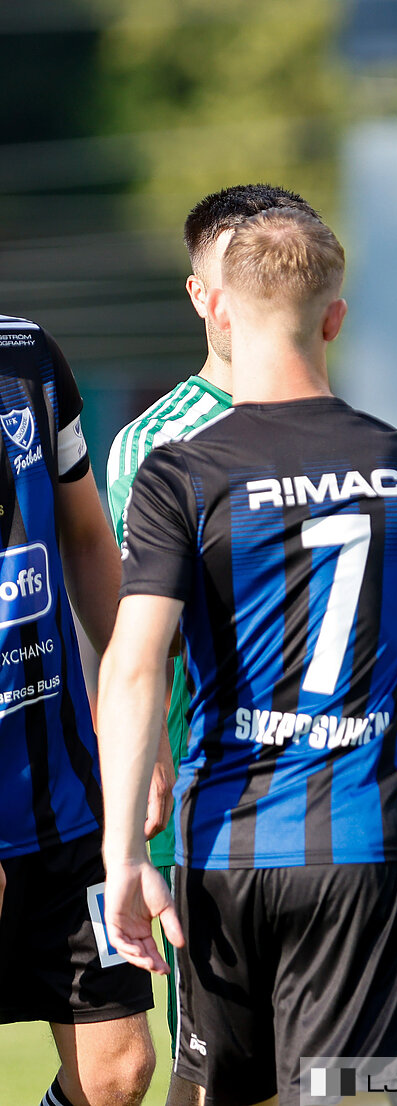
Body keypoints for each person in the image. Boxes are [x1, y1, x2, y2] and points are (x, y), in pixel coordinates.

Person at [98, 207, 397, 1105]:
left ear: (219, 310)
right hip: (362, 847)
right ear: (336, 317)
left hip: (224, 847)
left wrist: (120, 855)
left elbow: (134, 664)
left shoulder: (179, 470)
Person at [0, 313, 152, 1106]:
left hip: (62, 792)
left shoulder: (27, 355)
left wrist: (140, 716)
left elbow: (89, 542)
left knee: (118, 1072)